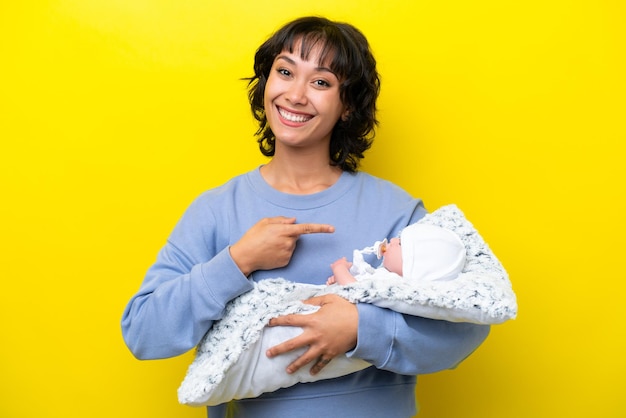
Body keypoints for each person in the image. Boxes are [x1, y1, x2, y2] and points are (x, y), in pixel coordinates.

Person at [121, 16, 490, 418]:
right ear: (266, 85)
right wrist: (238, 261)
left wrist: (359, 330)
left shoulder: (395, 212)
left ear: (346, 107)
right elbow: (143, 332)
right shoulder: (216, 210)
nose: (295, 95)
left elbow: (466, 326)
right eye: (285, 72)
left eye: (321, 82)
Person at [327, 223, 467, 286]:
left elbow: (355, 291)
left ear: (412, 264)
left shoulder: (392, 284)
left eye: (400, 243)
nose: (392, 240)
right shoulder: (386, 275)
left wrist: (340, 269)